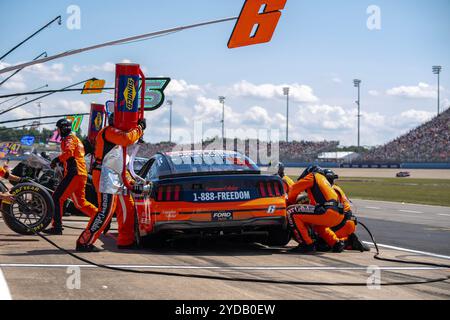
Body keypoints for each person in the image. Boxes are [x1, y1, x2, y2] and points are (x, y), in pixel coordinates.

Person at [76, 114, 146, 252]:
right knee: (105, 212)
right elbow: (126, 139)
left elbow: (120, 165)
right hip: (104, 175)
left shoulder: (116, 141)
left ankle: (125, 241)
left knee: (125, 207)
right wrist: (139, 128)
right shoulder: (109, 131)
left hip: (111, 174)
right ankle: (84, 242)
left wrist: (131, 183)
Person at [43, 119, 98, 235]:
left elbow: (69, 153)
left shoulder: (70, 139)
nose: (57, 131)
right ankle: (100, 218)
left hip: (75, 173)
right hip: (81, 174)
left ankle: (57, 227)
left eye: (58, 129)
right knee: (80, 203)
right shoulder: (75, 139)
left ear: (63, 129)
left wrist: (56, 160)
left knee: (57, 198)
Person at [286, 165, 346, 253]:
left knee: (291, 211)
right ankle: (335, 243)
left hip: (328, 211)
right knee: (318, 225)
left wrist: (290, 202)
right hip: (339, 214)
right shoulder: (325, 182)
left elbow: (294, 189)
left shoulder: (313, 175)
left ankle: (307, 244)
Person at [315, 169, 370, 252]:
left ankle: (347, 242)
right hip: (348, 222)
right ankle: (346, 238)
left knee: (320, 244)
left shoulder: (330, 191)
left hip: (343, 223)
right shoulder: (336, 188)